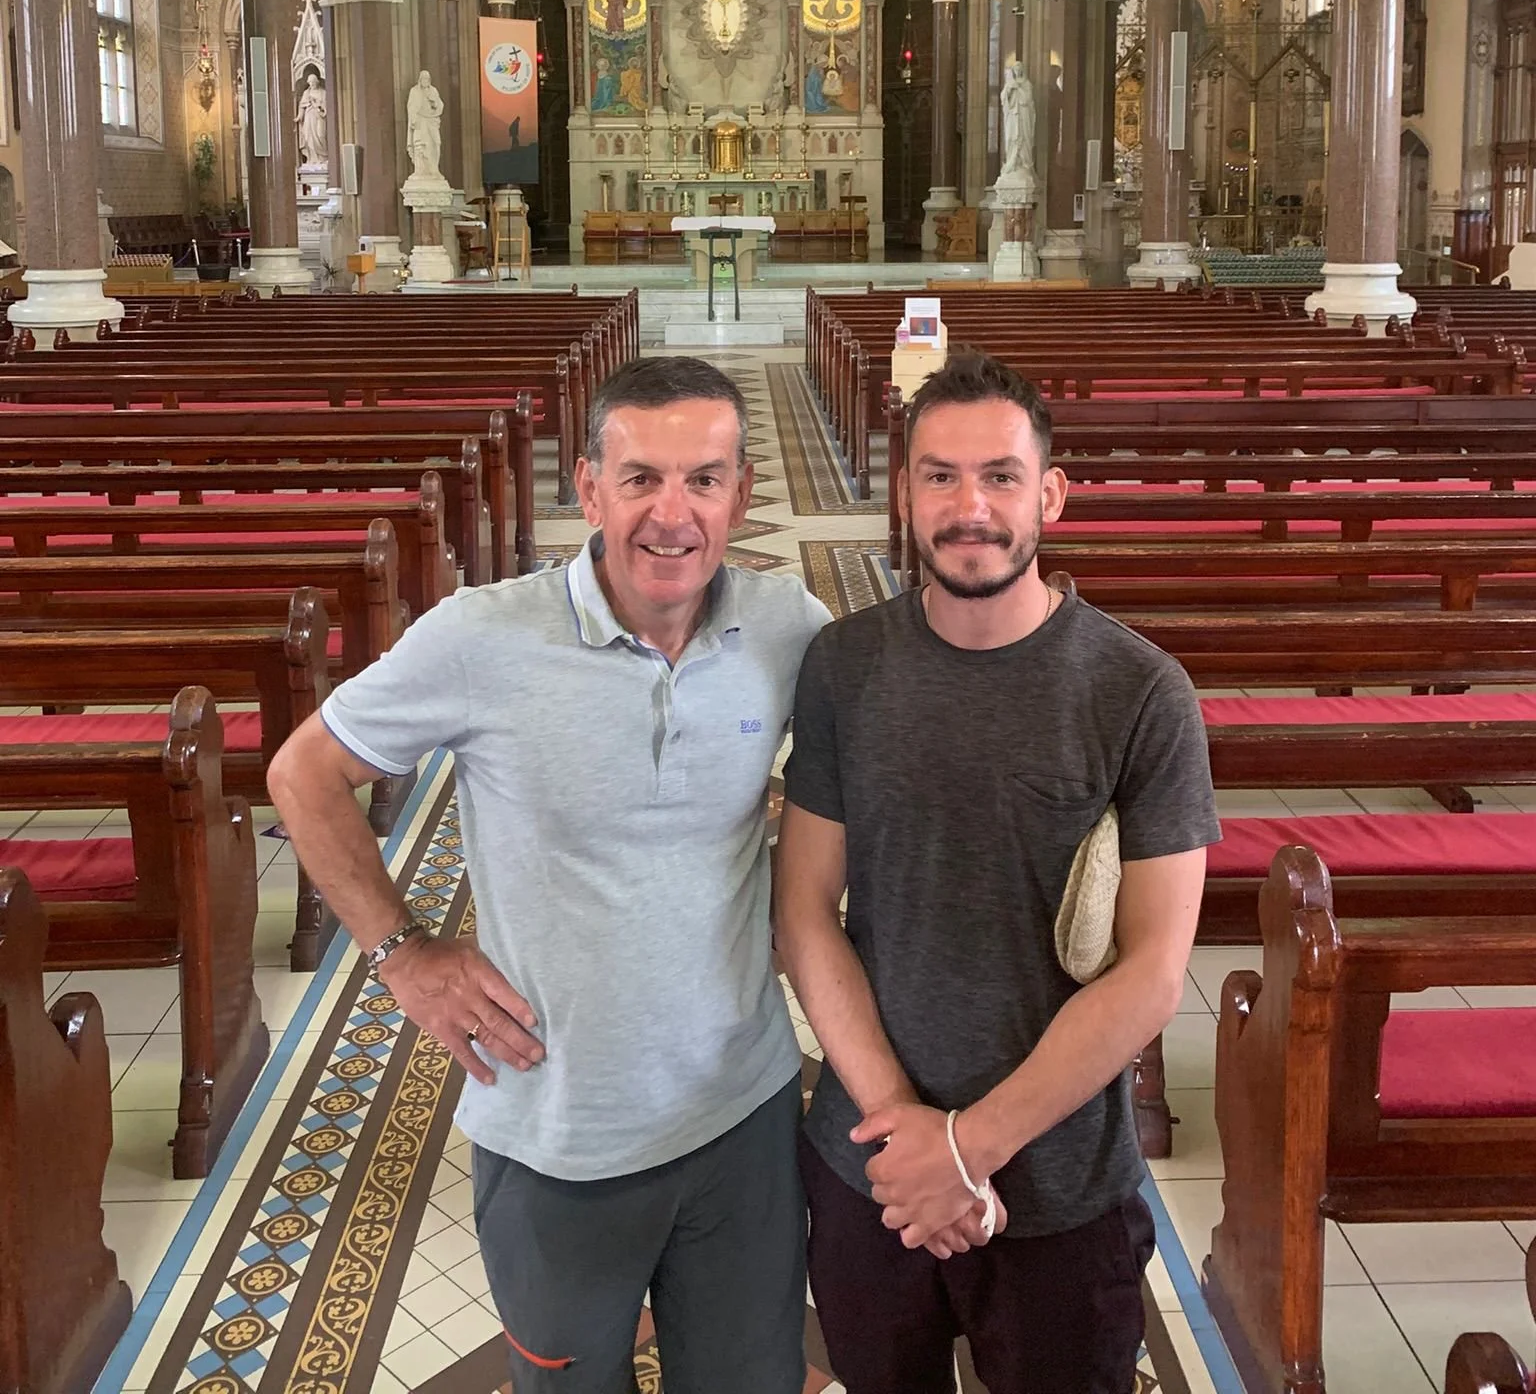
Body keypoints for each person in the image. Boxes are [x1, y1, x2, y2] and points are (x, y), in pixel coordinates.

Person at [267, 357, 831, 1394]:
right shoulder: (485, 636)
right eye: (641, 478)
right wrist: (403, 952)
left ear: (743, 491)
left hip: (741, 1117)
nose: (674, 513)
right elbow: (302, 770)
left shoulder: (787, 626)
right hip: (556, 1131)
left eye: (705, 479)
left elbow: (889, 760)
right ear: (587, 487)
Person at [775, 351, 1218, 1394]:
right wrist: (907, 1138)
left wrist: (969, 1147)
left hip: (1060, 1182)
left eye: (1000, 475)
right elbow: (803, 914)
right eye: (939, 475)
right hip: (870, 1170)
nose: (968, 505)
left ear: (1050, 492)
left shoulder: (1140, 690)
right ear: (904, 491)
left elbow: (1154, 970)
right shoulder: (844, 664)